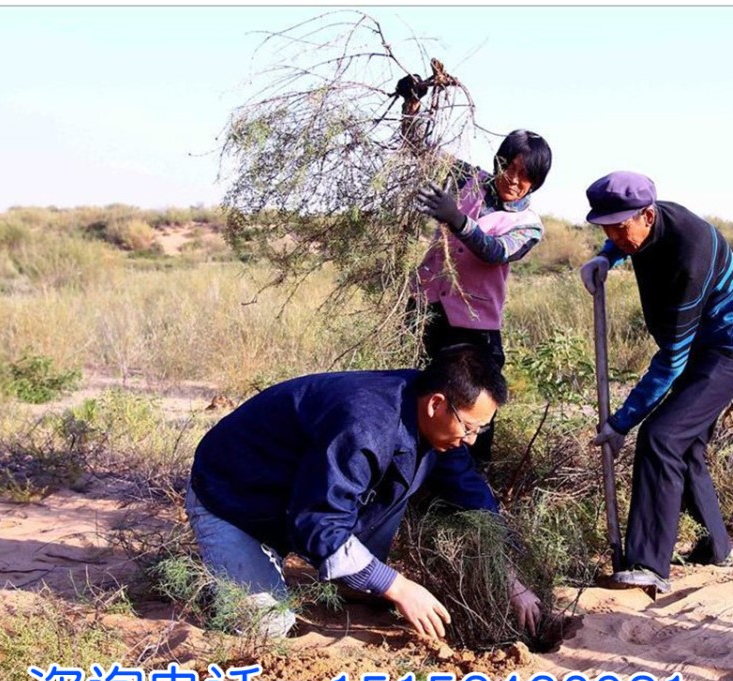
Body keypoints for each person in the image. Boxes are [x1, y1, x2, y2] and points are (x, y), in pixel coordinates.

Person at [185, 345, 542, 638]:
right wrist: (400, 587)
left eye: (480, 429)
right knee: (267, 627)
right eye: (468, 427)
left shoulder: (434, 423)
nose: (471, 439)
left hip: (295, 497)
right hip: (233, 499)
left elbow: (470, 497)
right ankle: (220, 579)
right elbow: (319, 523)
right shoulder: (365, 425)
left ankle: (306, 562)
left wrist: (510, 578)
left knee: (363, 580)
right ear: (436, 403)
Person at [580, 171, 733, 593]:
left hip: (725, 350)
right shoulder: (647, 226)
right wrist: (605, 257)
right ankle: (721, 548)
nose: (615, 234)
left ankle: (649, 565)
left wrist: (621, 423)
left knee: (661, 436)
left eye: (620, 227)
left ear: (647, 215)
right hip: (702, 342)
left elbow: (671, 361)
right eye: (606, 227)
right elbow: (620, 237)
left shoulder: (690, 253)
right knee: (687, 445)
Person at [411, 129, 553, 463]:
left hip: (472, 326)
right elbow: (421, 147)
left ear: (536, 182)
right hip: (425, 308)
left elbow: (494, 251)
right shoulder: (467, 179)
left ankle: (472, 481)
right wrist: (413, 106)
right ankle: (419, 470)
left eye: (525, 176)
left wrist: (457, 219)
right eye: (509, 167)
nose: (513, 180)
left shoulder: (528, 225)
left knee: (475, 401)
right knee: (423, 391)